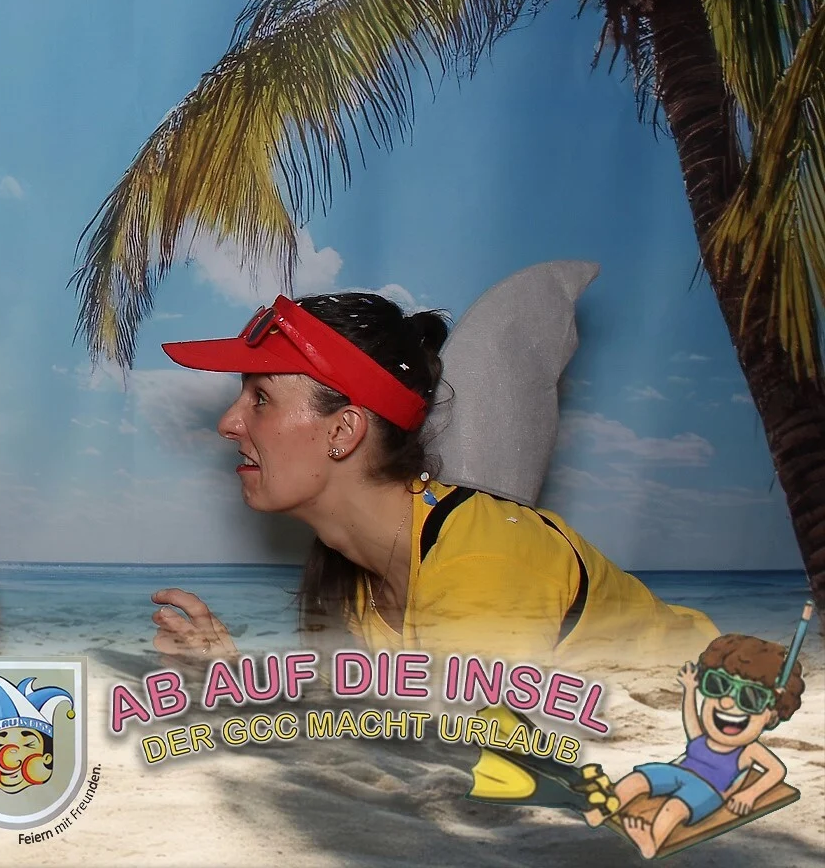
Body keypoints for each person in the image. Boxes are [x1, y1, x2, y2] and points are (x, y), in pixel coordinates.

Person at [148, 292, 715, 665]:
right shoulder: (362, 588)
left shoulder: (482, 567)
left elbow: (460, 788)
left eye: (261, 398)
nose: (228, 423)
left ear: (343, 430)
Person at [586, 633, 804, 856]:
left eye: (750, 698)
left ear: (771, 716)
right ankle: (601, 811)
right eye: (718, 685)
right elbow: (691, 719)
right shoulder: (703, 737)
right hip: (678, 772)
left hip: (708, 789)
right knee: (636, 780)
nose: (727, 703)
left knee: (674, 808)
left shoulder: (748, 751)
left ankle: (652, 841)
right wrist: (690, 690)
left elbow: (776, 770)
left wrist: (749, 794)